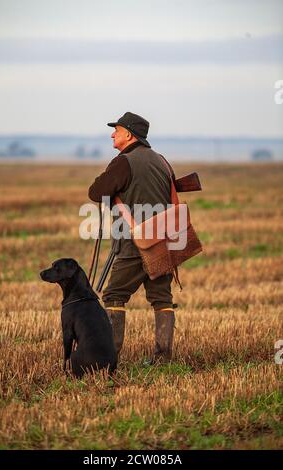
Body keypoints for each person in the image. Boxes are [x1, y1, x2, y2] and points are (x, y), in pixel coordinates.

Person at [88, 112, 176, 364]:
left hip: (132, 242)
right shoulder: (161, 161)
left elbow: (96, 191)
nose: (112, 134)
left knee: (114, 295)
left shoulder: (123, 162)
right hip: (163, 240)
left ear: (129, 134)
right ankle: (163, 359)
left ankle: (108, 358)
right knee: (162, 298)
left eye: (116, 130)